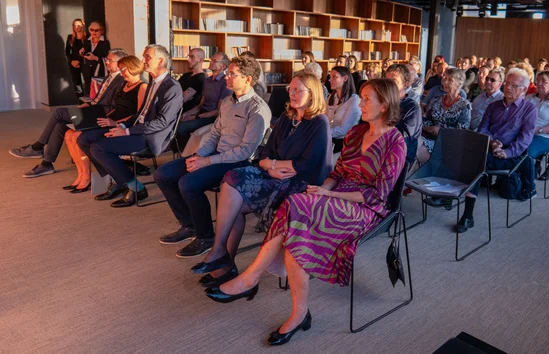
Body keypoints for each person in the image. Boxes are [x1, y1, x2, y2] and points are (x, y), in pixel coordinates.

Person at [204, 78, 406, 347]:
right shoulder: (356, 133)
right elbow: (337, 173)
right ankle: (294, 310)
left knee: (297, 208)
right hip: (337, 195)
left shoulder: (396, 142)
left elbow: (378, 195)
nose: (361, 103)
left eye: (368, 99)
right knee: (300, 207)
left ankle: (253, 280)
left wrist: (328, 195)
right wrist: (320, 190)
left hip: (366, 209)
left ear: (384, 106)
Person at [190, 72, 332, 288]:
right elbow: (265, 153)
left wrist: (274, 165)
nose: (292, 94)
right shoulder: (287, 117)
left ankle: (222, 262)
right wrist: (270, 165)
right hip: (274, 175)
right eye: (290, 89)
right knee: (231, 178)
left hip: (300, 184)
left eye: (298, 90)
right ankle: (220, 253)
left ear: (312, 94)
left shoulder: (319, 122)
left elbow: (308, 164)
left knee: (235, 202)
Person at [155, 56, 271, 258]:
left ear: (248, 79)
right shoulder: (227, 102)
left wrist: (206, 161)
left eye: (233, 74)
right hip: (217, 156)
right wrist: (198, 155)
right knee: (163, 174)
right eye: (228, 73)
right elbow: (214, 134)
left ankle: (205, 237)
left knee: (188, 184)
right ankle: (189, 225)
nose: (227, 76)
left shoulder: (257, 108)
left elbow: (245, 151)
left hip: (239, 163)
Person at [77, 44, 183, 207]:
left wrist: (126, 131)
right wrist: (121, 125)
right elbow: (140, 114)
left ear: (160, 60)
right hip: (136, 129)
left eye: (147, 57)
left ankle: (136, 188)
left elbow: (161, 122)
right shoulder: (153, 83)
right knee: (84, 139)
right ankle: (119, 180)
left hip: (150, 137)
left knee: (98, 147)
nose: (143, 60)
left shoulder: (172, 88)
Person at [10, 49, 128, 177]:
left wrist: (91, 109)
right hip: (93, 110)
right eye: (107, 59)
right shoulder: (109, 77)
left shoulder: (121, 80)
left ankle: (38, 147)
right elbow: (99, 99)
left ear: (121, 63)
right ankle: (46, 164)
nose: (106, 62)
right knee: (60, 125)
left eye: (110, 60)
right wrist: (88, 104)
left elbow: (114, 107)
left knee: (59, 112)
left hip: (101, 117)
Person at [458, 68, 538, 233]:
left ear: (524, 89)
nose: (508, 88)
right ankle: (465, 210)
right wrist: (493, 143)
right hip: (490, 148)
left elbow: (525, 139)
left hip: (512, 154)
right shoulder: (494, 106)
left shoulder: (529, 109)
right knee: (470, 156)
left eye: (514, 85)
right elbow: (483, 128)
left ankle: (467, 213)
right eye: (507, 83)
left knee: (476, 162)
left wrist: (506, 152)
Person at [62, 55, 148, 194]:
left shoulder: (142, 87)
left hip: (120, 124)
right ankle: (84, 175)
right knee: (69, 134)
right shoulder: (124, 85)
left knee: (80, 137)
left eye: (123, 69)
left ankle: (109, 176)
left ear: (132, 68)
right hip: (108, 120)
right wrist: (103, 117)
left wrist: (115, 123)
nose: (121, 73)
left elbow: (138, 114)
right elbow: (116, 108)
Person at [415, 68, 471, 173]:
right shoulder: (437, 100)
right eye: (444, 78)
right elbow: (426, 119)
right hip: (429, 138)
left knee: (414, 151)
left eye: (450, 80)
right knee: (410, 144)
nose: (445, 82)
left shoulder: (464, 105)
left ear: (460, 83)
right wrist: (428, 127)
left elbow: (462, 132)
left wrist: (441, 130)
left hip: (448, 144)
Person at [176, 52, 232, 152]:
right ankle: (186, 153)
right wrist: (186, 114)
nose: (211, 62)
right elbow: (200, 105)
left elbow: (218, 111)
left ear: (223, 66)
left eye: (214, 61)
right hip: (202, 114)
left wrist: (194, 117)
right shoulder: (208, 80)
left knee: (181, 128)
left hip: (213, 119)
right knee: (178, 122)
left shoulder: (225, 83)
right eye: (211, 60)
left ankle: (187, 155)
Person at [385, 64, 422, 165]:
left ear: (405, 84)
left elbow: (403, 141)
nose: (388, 86)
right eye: (386, 82)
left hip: (400, 159)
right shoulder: (382, 103)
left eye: (393, 82)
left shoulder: (412, 107)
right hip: (378, 152)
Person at [326, 66, 360, 153]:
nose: (330, 80)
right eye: (330, 77)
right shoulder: (331, 97)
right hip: (328, 139)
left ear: (345, 78)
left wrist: (323, 132)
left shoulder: (354, 100)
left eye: (334, 77)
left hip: (343, 144)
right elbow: (324, 118)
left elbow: (345, 130)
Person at [80, 21, 111, 95]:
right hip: (87, 72)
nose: (94, 32)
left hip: (99, 72)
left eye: (96, 30)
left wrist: (95, 58)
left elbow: (107, 59)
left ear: (101, 31)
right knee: (87, 93)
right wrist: (81, 53)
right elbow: (84, 56)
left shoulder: (105, 43)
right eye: (91, 30)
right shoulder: (87, 41)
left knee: (98, 93)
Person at [178, 48, 207, 114]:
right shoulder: (185, 75)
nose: (188, 60)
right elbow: (173, 91)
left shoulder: (201, 78)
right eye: (188, 57)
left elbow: (183, 99)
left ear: (200, 60)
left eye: (192, 57)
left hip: (185, 114)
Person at [65, 19, 86, 96]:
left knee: (87, 82)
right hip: (73, 64)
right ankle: (80, 101)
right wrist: (72, 61)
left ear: (82, 26)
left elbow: (87, 51)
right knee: (77, 84)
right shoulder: (70, 37)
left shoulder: (87, 37)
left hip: (84, 63)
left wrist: (79, 61)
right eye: (74, 25)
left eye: (78, 25)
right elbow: (67, 51)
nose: (76, 27)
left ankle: (88, 102)